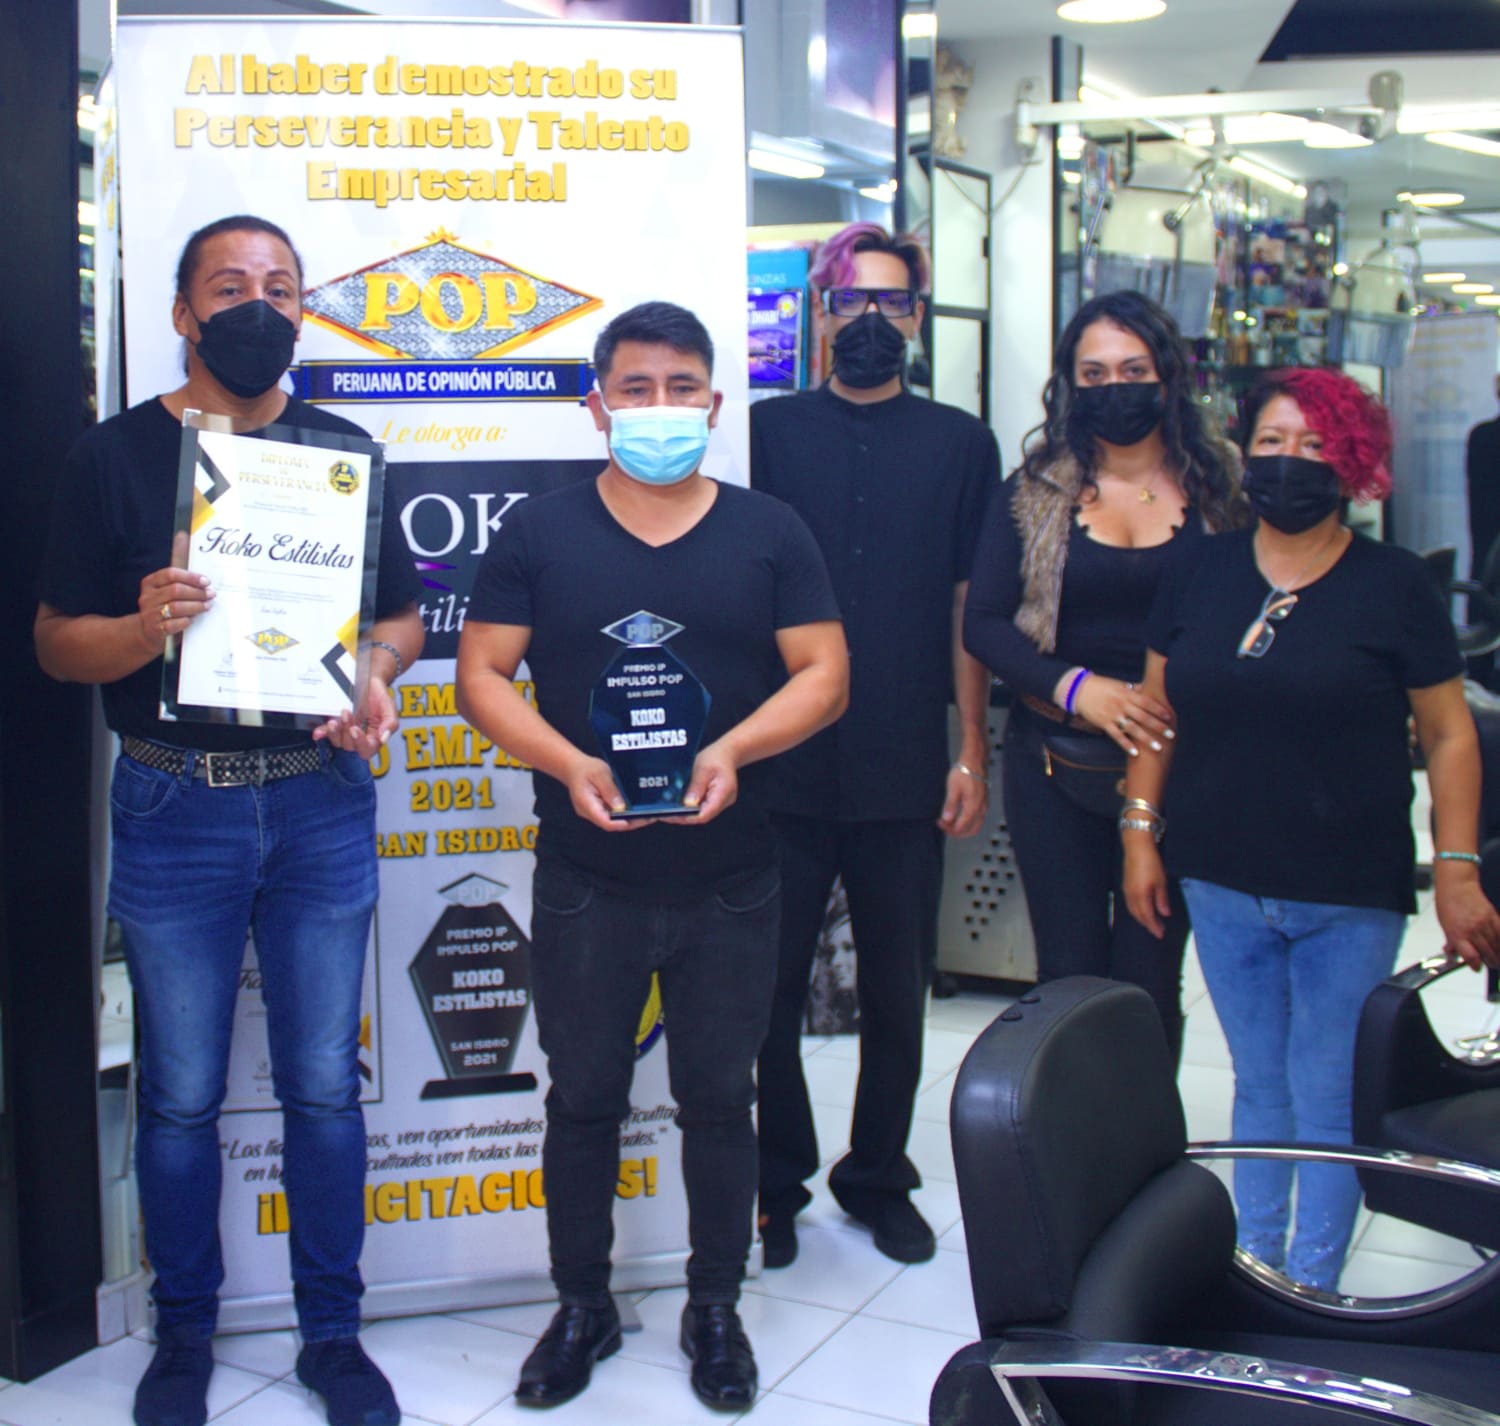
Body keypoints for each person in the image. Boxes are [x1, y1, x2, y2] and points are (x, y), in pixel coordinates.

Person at [33, 215, 424, 1426]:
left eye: (281, 287)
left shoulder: (342, 452)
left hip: (318, 800)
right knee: (182, 1092)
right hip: (173, 801)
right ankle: (184, 1336)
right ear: (182, 313)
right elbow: (56, 645)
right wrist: (143, 625)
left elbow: (399, 617)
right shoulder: (110, 458)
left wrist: (375, 675)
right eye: (230, 286)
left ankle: (333, 1336)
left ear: (303, 310)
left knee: (324, 1085)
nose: (259, 306)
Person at [455, 302, 847, 1410]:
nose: (659, 408)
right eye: (636, 389)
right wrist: (569, 760)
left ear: (714, 406)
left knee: (721, 1100)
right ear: (598, 405)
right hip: (590, 880)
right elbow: (480, 676)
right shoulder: (539, 533)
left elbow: (826, 675)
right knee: (582, 1100)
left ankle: (714, 1306)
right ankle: (581, 1305)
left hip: (734, 878)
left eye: (681, 389)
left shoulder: (770, 530)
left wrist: (732, 749)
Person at [1123, 365, 1500, 1291]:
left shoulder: (1394, 584)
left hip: (1348, 886)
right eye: (1271, 442)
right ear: (1244, 454)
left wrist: (1456, 867)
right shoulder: (1199, 569)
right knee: (1259, 1082)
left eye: (1315, 445)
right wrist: (1138, 831)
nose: (1289, 462)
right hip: (1219, 871)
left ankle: (1314, 1286)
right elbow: (1157, 713)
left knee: (1327, 1093)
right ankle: (1261, 1272)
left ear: (1353, 463)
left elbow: (1450, 734)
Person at [749, 222, 997, 1270]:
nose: (870, 320)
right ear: (821, 312)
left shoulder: (960, 444)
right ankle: (776, 1184)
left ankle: (879, 1176)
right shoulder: (764, 432)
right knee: (767, 987)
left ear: (917, 318)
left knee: (898, 986)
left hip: (903, 754)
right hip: (781, 756)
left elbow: (968, 607)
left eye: (891, 302)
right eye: (851, 299)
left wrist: (970, 746)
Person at [963, 289, 1242, 1066]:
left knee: (1151, 974)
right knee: (1069, 972)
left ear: (1167, 376)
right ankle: (1068, 1133)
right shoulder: (1034, 490)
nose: (1114, 387)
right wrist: (1078, 687)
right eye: (1094, 373)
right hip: (1055, 757)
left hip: (1183, 767)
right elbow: (983, 623)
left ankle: (1143, 1132)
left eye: (1132, 369)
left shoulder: (1222, 489)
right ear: (1069, 383)